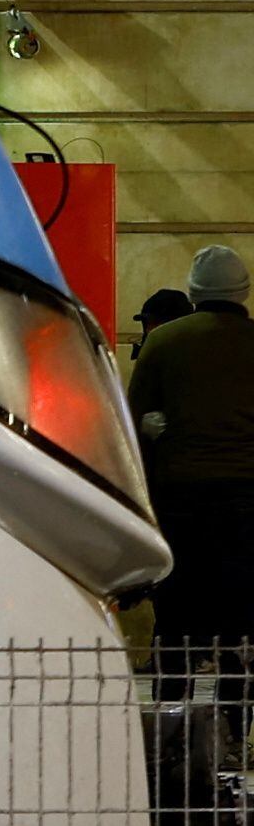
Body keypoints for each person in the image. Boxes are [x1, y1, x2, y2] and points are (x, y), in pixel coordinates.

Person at [136, 247, 254, 686]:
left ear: (194, 291)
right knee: (242, 621)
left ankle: (173, 727)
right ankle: (236, 728)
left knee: (177, 617)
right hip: (248, 504)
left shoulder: (163, 342)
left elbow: (134, 425)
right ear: (243, 292)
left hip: (180, 500)